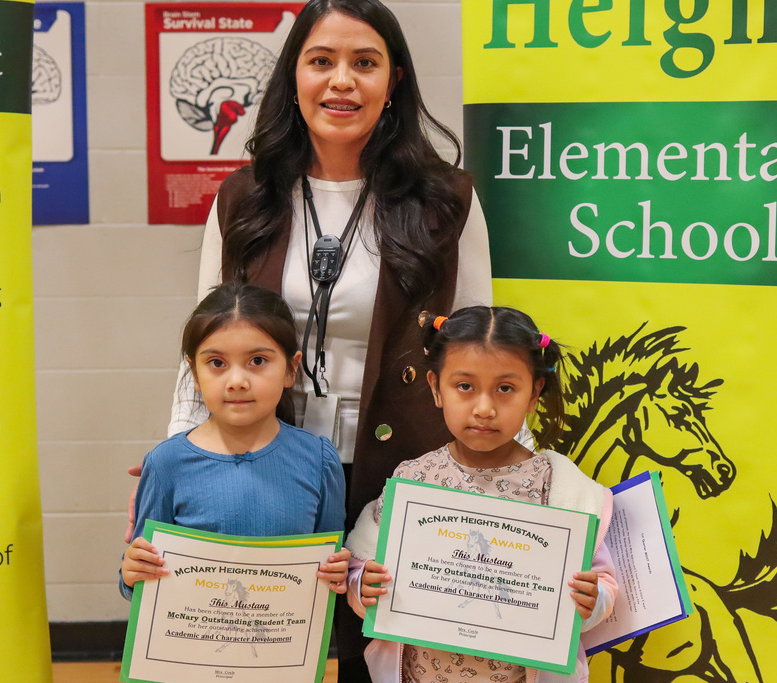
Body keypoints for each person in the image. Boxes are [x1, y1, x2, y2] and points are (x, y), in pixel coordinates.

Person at [129, 0, 495, 675]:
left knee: (379, 652)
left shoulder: (448, 199)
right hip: (266, 458)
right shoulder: (245, 197)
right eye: (321, 61)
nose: (341, 81)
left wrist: (506, 463)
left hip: (402, 463)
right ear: (293, 77)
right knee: (259, 643)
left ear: (397, 80)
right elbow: (205, 339)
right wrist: (176, 451)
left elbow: (477, 344)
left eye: (365, 62)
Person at [344, 306, 618, 683]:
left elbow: (602, 584)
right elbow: (363, 566)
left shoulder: (558, 487)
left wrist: (593, 601)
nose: (485, 408)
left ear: (534, 392)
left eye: (505, 388)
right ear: (436, 388)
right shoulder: (413, 478)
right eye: (465, 386)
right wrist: (364, 588)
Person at [119, 282, 350, 601]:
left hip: (282, 644)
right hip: (190, 646)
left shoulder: (319, 460)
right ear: (195, 375)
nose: (237, 381)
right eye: (217, 363)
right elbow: (142, 577)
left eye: (257, 361)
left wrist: (342, 574)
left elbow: (332, 566)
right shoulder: (165, 464)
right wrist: (132, 575)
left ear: (290, 369)